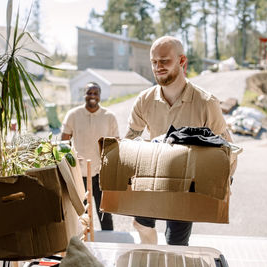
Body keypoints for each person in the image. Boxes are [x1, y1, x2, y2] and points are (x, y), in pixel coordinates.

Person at [125, 36, 236, 246]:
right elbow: (130, 139)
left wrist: (226, 179)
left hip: (186, 183)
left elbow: (226, 147)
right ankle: (152, 254)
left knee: (176, 243)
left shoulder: (206, 103)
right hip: (153, 176)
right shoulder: (144, 100)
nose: (158, 67)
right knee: (141, 224)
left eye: (164, 61)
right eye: (154, 62)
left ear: (182, 60)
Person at [61, 82, 119, 230]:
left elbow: (115, 144)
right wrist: (71, 159)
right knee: (82, 213)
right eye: (89, 93)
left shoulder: (109, 116)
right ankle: (84, 243)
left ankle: (108, 243)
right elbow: (63, 143)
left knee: (105, 212)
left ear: (100, 96)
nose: (92, 96)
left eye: (95, 93)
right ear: (84, 95)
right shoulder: (73, 115)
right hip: (79, 173)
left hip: (100, 173)